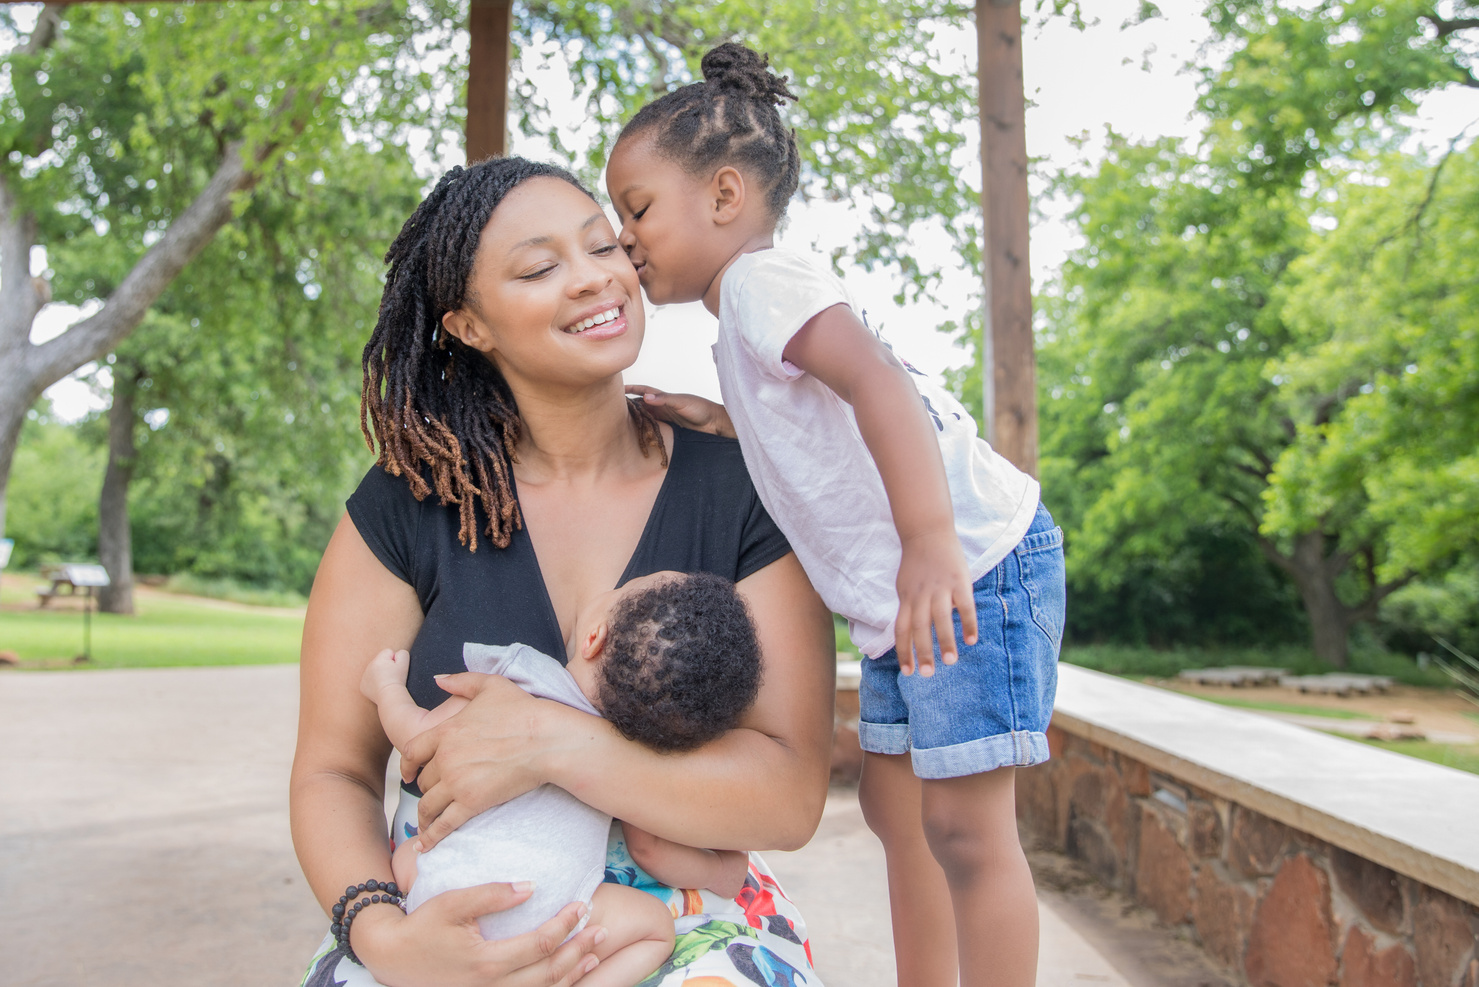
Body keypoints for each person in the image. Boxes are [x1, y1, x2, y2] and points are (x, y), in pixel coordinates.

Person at [291, 156, 835, 987]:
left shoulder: (741, 487)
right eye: (541, 267)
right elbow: (334, 767)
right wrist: (384, 933)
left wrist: (551, 743)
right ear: (469, 324)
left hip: (675, 912)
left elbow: (789, 794)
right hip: (453, 908)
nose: (592, 280)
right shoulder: (407, 505)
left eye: (603, 248)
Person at [607, 42, 1066, 987]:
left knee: (965, 832)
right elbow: (818, 434)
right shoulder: (742, 319)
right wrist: (724, 421)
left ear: (724, 196)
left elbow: (878, 386)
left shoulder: (765, 285)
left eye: (637, 208)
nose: (622, 237)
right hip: (907, 597)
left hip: (968, 565)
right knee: (903, 820)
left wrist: (930, 543)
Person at [360, 570, 761, 987]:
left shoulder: (519, 680)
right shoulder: (638, 754)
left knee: (411, 855)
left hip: (444, 909)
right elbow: (651, 849)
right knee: (655, 928)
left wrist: (387, 688)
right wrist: (718, 873)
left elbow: (419, 739)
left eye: (617, 591)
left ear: (593, 639)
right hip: (555, 921)